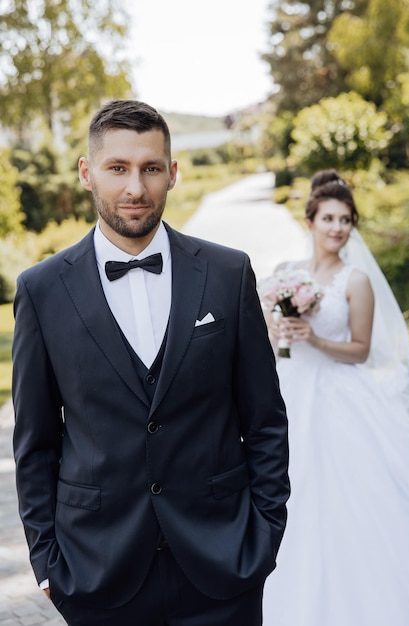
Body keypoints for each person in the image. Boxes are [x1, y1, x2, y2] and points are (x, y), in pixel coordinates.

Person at [12, 100, 290, 626]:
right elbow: (35, 444)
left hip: (223, 567)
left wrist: (265, 533)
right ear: (87, 172)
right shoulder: (42, 290)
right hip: (97, 574)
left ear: (173, 173)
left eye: (150, 168)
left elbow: (266, 419)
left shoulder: (227, 274)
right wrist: (48, 565)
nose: (135, 188)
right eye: (117, 168)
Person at [261, 169, 409, 626]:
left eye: (345, 220)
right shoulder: (284, 275)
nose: (337, 227)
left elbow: (360, 350)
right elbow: (273, 346)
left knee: (344, 495)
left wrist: (314, 338)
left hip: (341, 395)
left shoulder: (356, 281)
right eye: (328, 217)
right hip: (290, 390)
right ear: (310, 220)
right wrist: (280, 333)